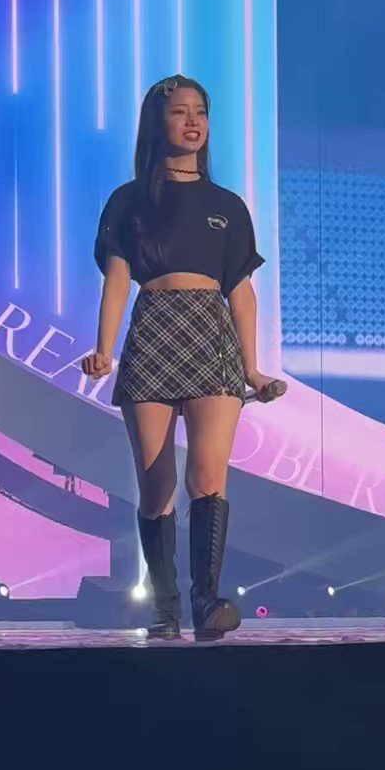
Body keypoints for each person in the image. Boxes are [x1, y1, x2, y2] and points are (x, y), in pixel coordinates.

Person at [82, 75, 284, 641]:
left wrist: (252, 369)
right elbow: (117, 280)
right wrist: (103, 350)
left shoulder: (227, 205)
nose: (193, 122)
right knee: (156, 485)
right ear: (157, 123)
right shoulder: (129, 200)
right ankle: (165, 604)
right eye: (179, 112)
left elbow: (241, 292)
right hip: (153, 330)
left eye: (201, 112)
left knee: (209, 475)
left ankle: (207, 601)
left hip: (211, 335)